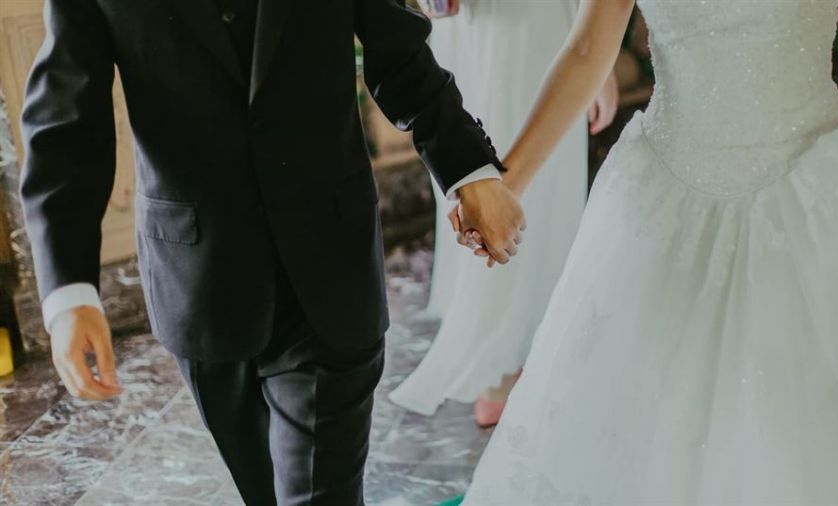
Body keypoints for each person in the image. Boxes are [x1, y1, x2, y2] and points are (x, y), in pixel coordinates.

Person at [18, 0, 526, 504]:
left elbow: (398, 51)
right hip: (198, 280)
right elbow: (67, 121)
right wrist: (68, 292)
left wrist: (468, 171)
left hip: (330, 263)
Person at [460, 0, 838, 502]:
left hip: (815, 190)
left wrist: (508, 184)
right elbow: (586, 49)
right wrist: (505, 185)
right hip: (666, 201)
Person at [390, 0, 619, 427]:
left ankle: (519, 347)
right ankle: (506, 354)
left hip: (508, 20)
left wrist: (596, 47)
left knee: (515, 162)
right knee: (498, 160)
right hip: (502, 20)